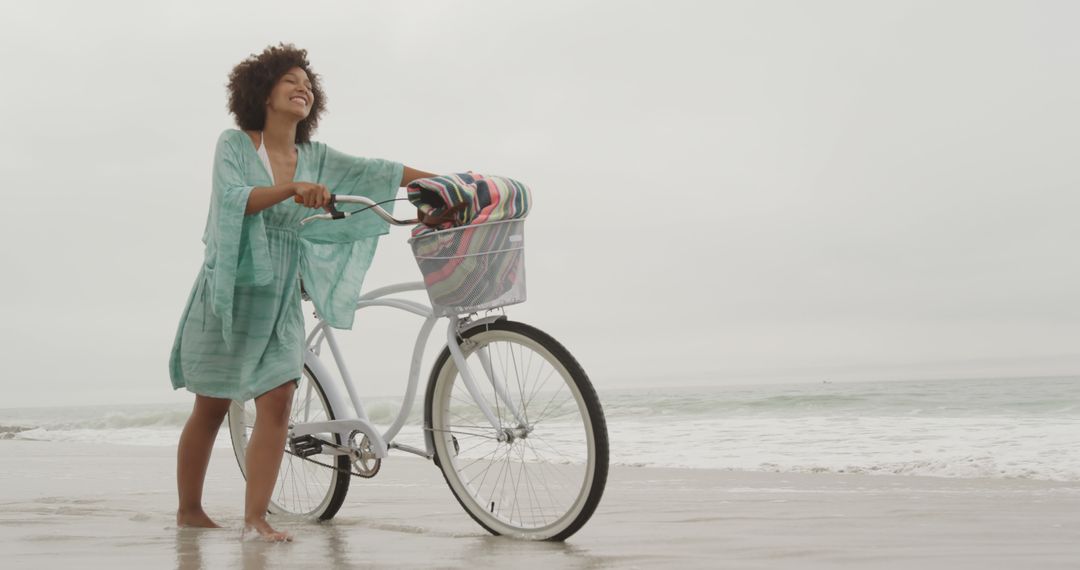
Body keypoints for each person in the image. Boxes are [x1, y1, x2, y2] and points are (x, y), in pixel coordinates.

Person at [168, 43, 446, 542]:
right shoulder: (234, 144)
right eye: (290, 80)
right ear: (263, 91)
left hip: (279, 293)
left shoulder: (314, 156)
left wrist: (450, 184)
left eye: (309, 83)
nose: (304, 88)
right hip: (228, 288)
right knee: (211, 405)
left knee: (277, 398)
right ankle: (189, 509)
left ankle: (256, 518)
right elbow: (234, 199)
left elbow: (377, 171)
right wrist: (293, 189)